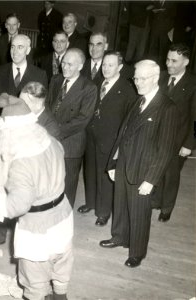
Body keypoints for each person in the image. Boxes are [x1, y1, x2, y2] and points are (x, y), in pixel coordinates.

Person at [0, 96, 73, 300]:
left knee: (34, 280)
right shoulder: (50, 141)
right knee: (61, 269)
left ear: (10, 132)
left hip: (37, 229)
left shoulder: (21, 164)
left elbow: (17, 206)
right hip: (63, 216)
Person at [101, 60, 178, 268]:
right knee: (121, 205)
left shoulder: (166, 107)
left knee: (139, 213)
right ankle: (119, 237)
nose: (138, 82)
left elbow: (165, 149)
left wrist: (151, 180)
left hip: (144, 171)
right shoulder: (139, 100)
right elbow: (123, 134)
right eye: (135, 78)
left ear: (155, 78)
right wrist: (114, 162)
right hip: (124, 164)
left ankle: (137, 252)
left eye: (142, 78)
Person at [79, 51, 137, 225]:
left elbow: (129, 119)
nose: (106, 68)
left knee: (105, 176)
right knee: (90, 170)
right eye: (104, 64)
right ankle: (90, 202)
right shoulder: (95, 82)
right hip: (91, 136)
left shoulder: (128, 89)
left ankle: (103, 212)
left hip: (111, 140)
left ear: (119, 67)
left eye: (110, 65)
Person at [47, 48, 97, 208]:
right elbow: (48, 106)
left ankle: (65, 217)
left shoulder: (89, 87)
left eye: (70, 64)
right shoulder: (55, 80)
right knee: (50, 180)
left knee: (67, 185)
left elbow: (83, 119)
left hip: (71, 143)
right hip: (50, 140)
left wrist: (55, 131)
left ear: (81, 66)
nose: (65, 67)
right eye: (63, 63)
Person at [153, 44, 196, 222]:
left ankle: (167, 207)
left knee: (171, 174)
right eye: (167, 59)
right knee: (156, 169)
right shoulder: (161, 77)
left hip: (179, 140)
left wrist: (189, 144)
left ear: (185, 62)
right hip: (157, 136)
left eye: (174, 61)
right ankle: (155, 200)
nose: (169, 64)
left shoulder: (193, 84)